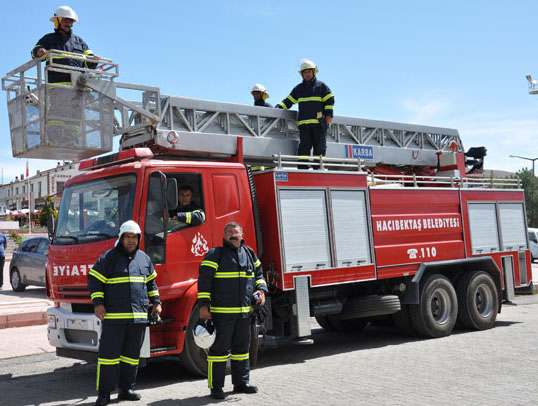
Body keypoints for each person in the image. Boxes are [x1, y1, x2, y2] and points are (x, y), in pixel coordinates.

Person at [88, 220, 162, 406]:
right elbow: (94, 281)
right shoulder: (109, 258)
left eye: (134, 237)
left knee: (131, 357)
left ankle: (126, 389)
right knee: (108, 358)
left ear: (139, 239)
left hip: (138, 319)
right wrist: (98, 303)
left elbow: (152, 283)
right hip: (114, 319)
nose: (131, 240)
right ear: (121, 238)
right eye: (127, 237)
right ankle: (104, 393)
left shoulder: (144, 259)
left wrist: (156, 302)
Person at [197, 222, 268, 399]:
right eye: (229, 232)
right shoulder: (215, 254)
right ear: (224, 236)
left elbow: (259, 275)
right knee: (218, 352)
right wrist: (204, 306)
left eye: (236, 232)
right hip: (222, 314)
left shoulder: (249, 254)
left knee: (241, 350)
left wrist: (261, 290)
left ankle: (241, 383)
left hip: (244, 313)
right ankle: (216, 388)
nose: (233, 235)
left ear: (242, 235)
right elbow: (204, 281)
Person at [277, 59, 335, 167]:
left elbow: (329, 100)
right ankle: (302, 169)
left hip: (319, 124)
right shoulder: (299, 89)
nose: (307, 74)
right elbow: (289, 101)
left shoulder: (321, 86)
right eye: (305, 72)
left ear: (314, 72)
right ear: (302, 74)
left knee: (320, 148)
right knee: (304, 149)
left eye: (309, 72)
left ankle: (318, 170)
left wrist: (329, 115)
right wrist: (279, 107)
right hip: (304, 125)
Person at [31, 6, 98, 84]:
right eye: (65, 20)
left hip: (78, 85)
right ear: (57, 21)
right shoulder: (48, 38)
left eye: (70, 21)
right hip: (56, 87)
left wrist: (94, 60)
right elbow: (34, 53)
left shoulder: (79, 41)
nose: (68, 24)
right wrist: (38, 52)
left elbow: (89, 64)